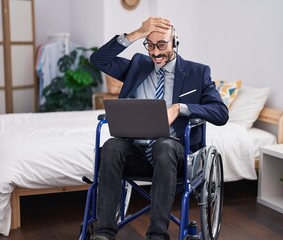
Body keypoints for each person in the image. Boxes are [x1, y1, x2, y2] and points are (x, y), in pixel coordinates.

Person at [89, 16, 229, 240]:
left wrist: (179, 108)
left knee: (164, 145)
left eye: (162, 45)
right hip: (136, 152)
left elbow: (221, 113)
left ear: (175, 42)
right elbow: (98, 60)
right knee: (112, 145)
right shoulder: (138, 65)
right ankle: (104, 233)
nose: (155, 52)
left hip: (173, 155)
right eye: (150, 45)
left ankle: (157, 236)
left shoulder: (197, 73)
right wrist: (137, 33)